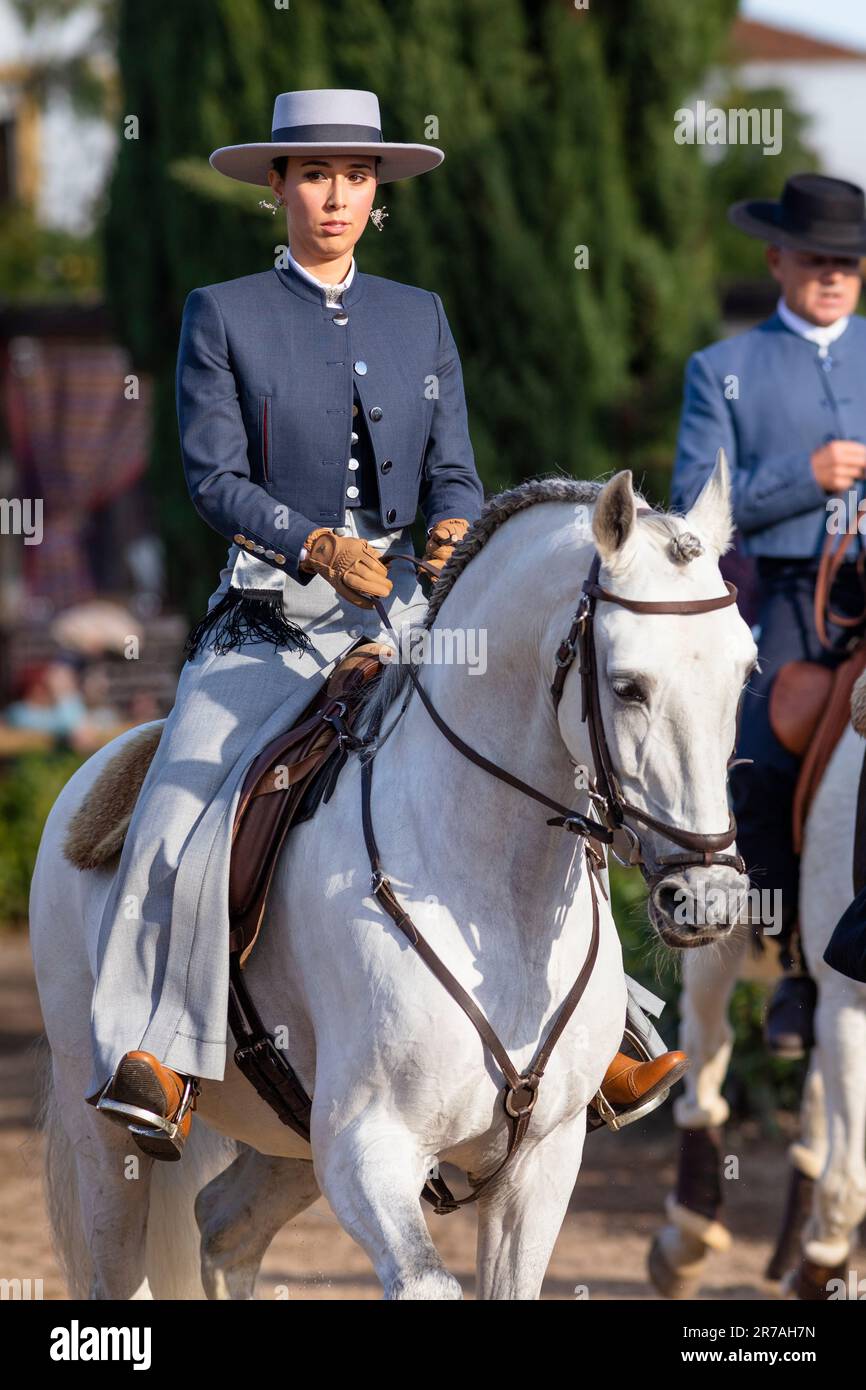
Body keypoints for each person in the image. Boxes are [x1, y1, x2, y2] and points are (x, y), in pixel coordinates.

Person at [90, 89, 685, 1160]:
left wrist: (454, 522)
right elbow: (214, 479)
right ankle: (153, 1048)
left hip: (411, 612)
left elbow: (451, 464)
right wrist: (313, 543)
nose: (335, 196)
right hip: (270, 620)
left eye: (355, 177)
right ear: (277, 185)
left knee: (544, 761)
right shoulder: (222, 313)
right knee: (186, 797)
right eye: (314, 175)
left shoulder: (420, 316)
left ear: (376, 193)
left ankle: (609, 1032)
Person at [671, 173, 866, 1058]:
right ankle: (793, 958)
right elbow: (690, 509)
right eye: (818, 259)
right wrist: (806, 477)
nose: (833, 276)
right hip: (791, 595)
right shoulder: (724, 371)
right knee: (769, 737)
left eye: (848, 264)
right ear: (777, 257)